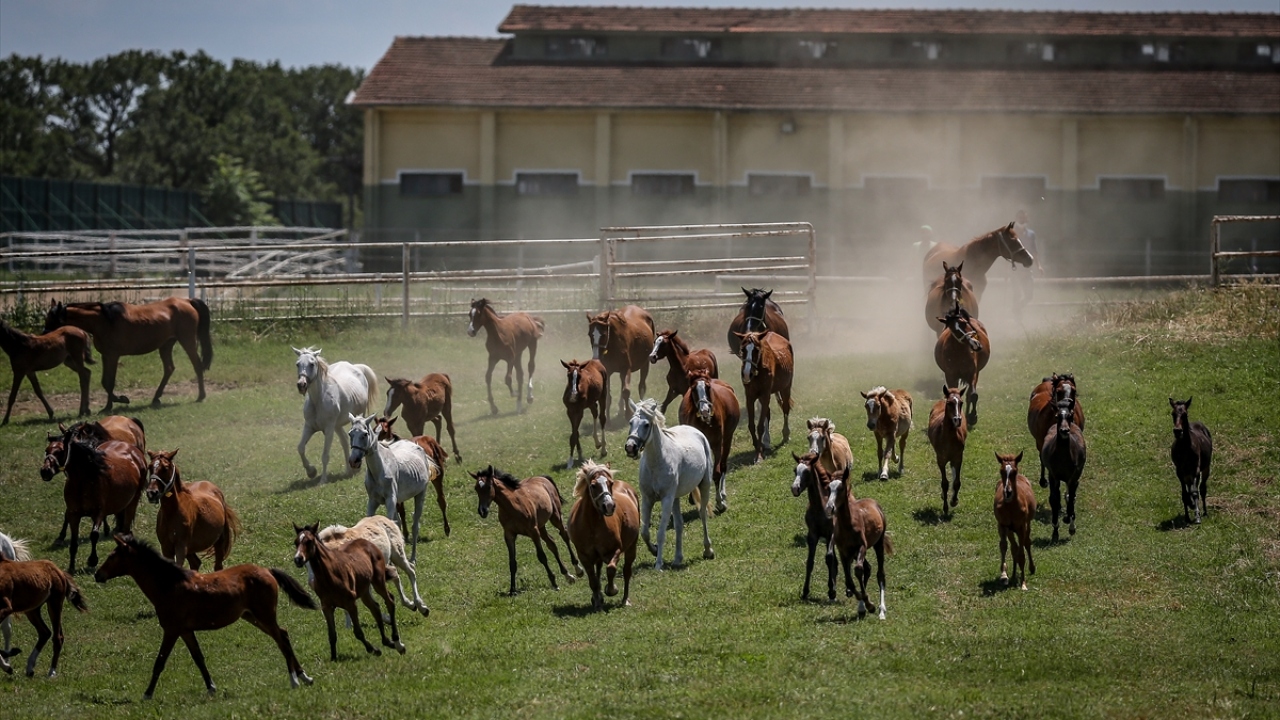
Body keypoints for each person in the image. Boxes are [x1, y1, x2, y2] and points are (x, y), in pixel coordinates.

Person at [1011, 209, 1042, 314]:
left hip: (1028, 268)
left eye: (1024, 217)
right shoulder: (1012, 233)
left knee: (1029, 295)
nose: (1022, 219)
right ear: (1016, 219)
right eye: (1020, 217)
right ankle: (1017, 316)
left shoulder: (1031, 234)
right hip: (1015, 268)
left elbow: (1034, 251)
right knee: (1017, 293)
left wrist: (1038, 266)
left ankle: (1016, 309)